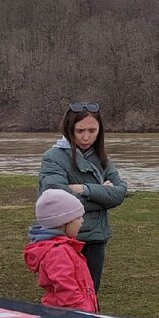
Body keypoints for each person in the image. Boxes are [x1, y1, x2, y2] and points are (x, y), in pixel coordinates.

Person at [38, 103, 128, 292]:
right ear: (69, 130)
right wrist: (102, 196)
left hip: (96, 238)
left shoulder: (102, 158)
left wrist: (84, 189)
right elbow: (55, 202)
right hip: (65, 239)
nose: (86, 137)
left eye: (92, 130)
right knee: (65, 295)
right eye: (80, 131)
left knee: (91, 293)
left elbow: (119, 193)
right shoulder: (53, 158)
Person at [24, 189, 98, 312]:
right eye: (78, 217)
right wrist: (85, 314)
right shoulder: (58, 252)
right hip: (70, 317)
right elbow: (67, 291)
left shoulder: (64, 247)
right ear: (63, 222)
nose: (82, 221)